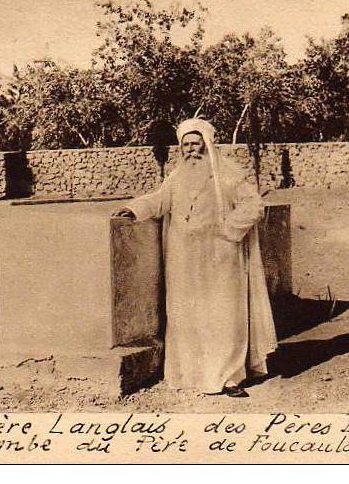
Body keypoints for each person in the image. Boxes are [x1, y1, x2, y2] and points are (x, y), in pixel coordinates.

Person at [113, 118, 277, 398]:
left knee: (223, 315)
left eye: (195, 143)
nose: (191, 150)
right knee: (187, 314)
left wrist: (227, 231)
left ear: (207, 143)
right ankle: (192, 374)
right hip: (184, 258)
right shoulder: (177, 176)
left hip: (221, 257)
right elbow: (160, 200)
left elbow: (254, 205)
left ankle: (228, 377)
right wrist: (133, 209)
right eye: (186, 145)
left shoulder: (228, 172)